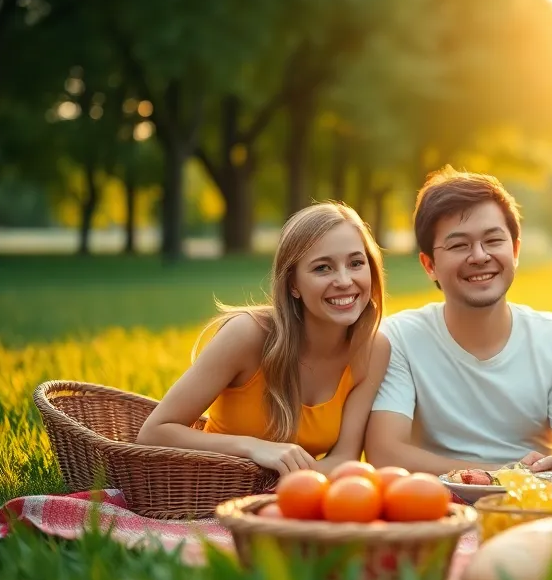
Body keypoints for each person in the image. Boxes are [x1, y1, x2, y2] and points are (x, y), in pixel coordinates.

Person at [364, 166, 552, 480]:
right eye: (459, 245)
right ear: (429, 265)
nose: (479, 256)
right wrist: (502, 475)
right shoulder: (399, 338)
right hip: (434, 505)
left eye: (493, 240)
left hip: (527, 504)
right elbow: (385, 454)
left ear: (515, 251)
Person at [138, 202, 390, 475]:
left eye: (356, 263)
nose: (344, 280)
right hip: (205, 491)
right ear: (293, 284)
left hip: (287, 503)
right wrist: (253, 448)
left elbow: (344, 458)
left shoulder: (373, 349)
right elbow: (154, 433)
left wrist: (292, 492)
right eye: (322, 268)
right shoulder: (247, 334)